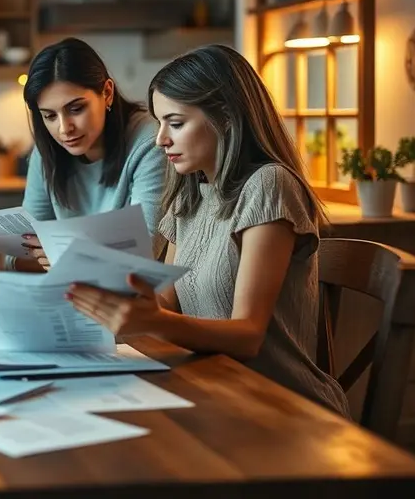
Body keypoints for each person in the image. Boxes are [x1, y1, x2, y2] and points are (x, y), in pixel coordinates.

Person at [66, 44, 350, 417]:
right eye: (160, 122)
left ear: (227, 118)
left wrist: (154, 321)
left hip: (282, 405)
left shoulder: (269, 185)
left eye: (176, 123)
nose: (160, 138)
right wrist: (120, 300)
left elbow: (247, 336)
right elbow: (168, 304)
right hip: (214, 390)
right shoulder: (190, 192)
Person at [13, 38, 166, 272]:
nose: (64, 129)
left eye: (76, 109)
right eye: (49, 116)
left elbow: (146, 249)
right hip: (69, 293)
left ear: (107, 93)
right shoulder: (45, 154)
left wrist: (64, 254)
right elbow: (19, 256)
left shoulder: (149, 141)